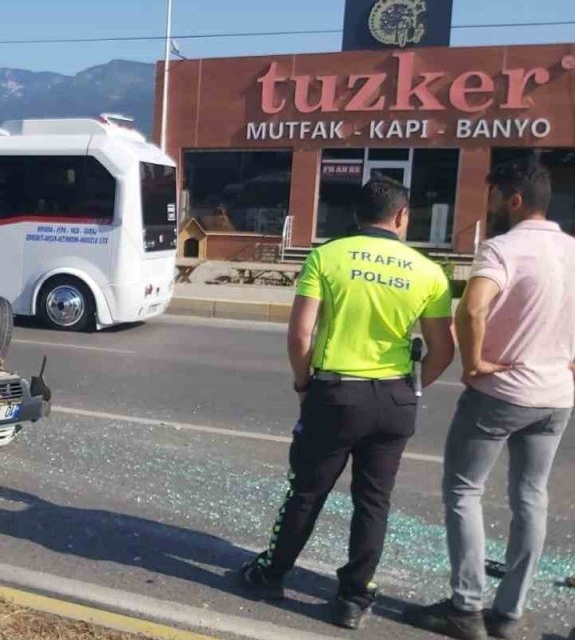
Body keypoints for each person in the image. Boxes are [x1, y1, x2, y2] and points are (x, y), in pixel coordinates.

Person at [239, 175, 455, 629]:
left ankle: (273, 574)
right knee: (374, 502)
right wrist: (411, 389)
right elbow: (443, 350)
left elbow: (300, 335)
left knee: (307, 491)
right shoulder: (429, 270)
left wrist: (304, 385)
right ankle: (352, 599)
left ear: (357, 215)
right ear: (401, 216)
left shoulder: (326, 256)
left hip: (336, 393)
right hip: (394, 398)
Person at [406, 159, 575, 640]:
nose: (492, 206)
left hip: (501, 393)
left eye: (496, 197)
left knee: (464, 490)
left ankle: (466, 606)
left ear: (514, 199)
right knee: (531, 497)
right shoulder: (572, 249)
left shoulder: (502, 249)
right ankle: (508, 613)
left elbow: (474, 307)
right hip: (556, 398)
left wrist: (475, 364)